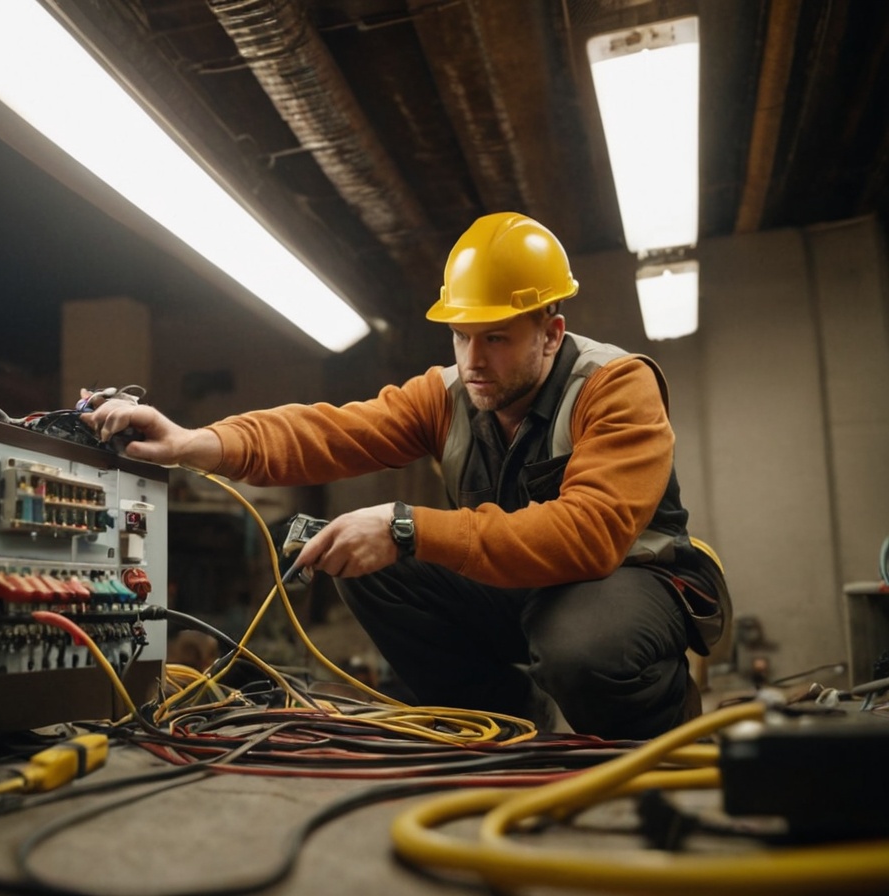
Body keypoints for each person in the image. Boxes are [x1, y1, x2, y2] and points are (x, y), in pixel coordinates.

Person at [80, 211, 729, 740]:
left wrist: (405, 526)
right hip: (526, 588)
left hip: (626, 581)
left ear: (551, 333)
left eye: (497, 338)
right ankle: (507, 729)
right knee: (368, 561)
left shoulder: (617, 387)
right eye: (460, 336)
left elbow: (587, 536)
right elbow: (334, 432)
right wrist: (198, 443)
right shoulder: (450, 396)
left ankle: (667, 748)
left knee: (583, 649)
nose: (474, 361)